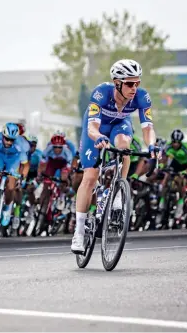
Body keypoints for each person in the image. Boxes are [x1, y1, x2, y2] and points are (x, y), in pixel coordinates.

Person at [71, 59, 160, 254]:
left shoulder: (142, 97)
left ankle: (119, 191)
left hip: (120, 124)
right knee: (90, 176)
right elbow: (92, 128)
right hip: (97, 127)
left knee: (124, 146)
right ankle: (78, 232)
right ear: (116, 82)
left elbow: (148, 129)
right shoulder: (101, 93)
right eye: (129, 83)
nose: (134, 88)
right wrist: (98, 137)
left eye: (137, 83)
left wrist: (152, 144)